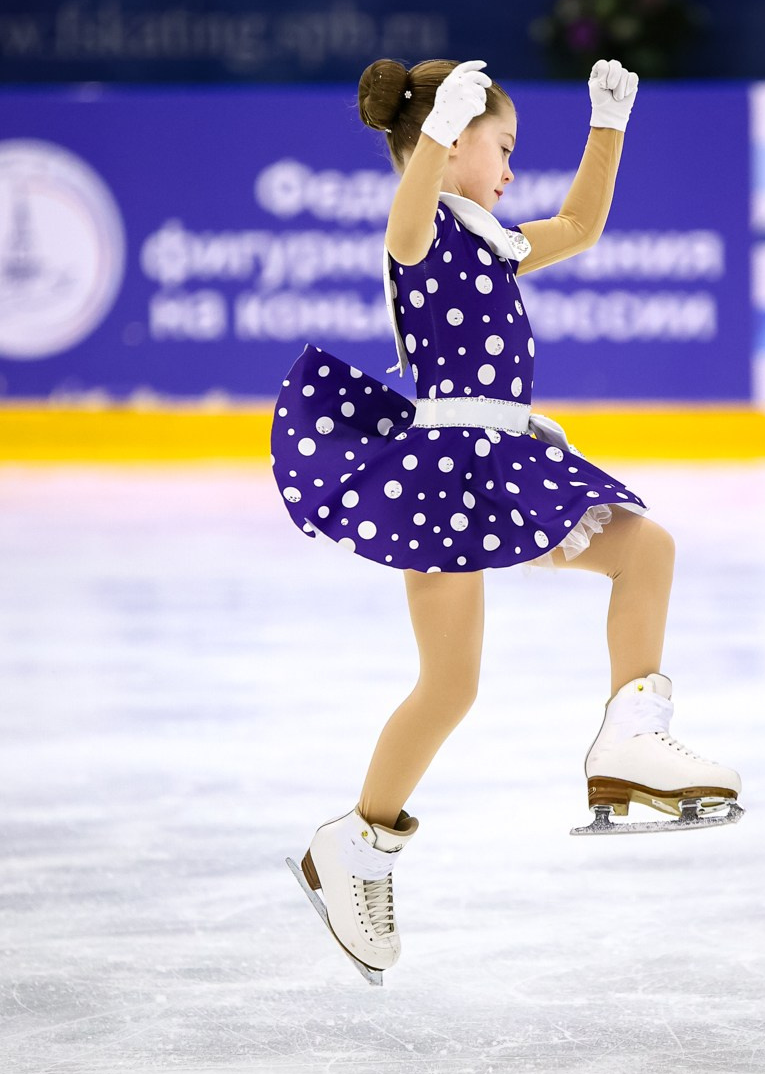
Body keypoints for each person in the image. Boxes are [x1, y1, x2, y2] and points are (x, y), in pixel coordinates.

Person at [271, 57, 741, 983]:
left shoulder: (491, 236)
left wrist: (609, 125)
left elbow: (581, 224)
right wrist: (441, 131)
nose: (512, 169)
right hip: (443, 473)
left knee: (645, 548)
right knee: (450, 687)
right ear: (445, 149)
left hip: (507, 456)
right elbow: (407, 218)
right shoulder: (421, 231)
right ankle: (357, 841)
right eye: (504, 147)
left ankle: (631, 734)